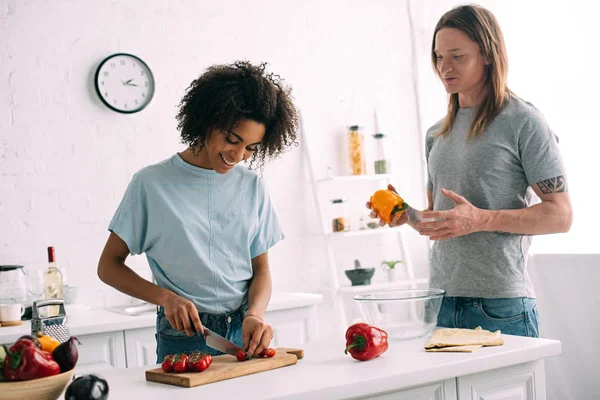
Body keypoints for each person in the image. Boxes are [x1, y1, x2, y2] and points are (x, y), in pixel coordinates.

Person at [368, 5, 572, 338]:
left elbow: (561, 216)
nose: (443, 68)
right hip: (440, 304)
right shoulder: (436, 134)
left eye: (457, 56)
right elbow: (440, 223)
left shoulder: (524, 122)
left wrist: (482, 219)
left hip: (501, 306)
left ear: (488, 54)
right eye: (438, 56)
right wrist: (406, 214)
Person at [98, 61, 299, 362]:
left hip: (244, 332)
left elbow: (262, 270)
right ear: (207, 120)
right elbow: (109, 266)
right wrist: (166, 298)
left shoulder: (252, 185)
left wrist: (255, 314)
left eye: (251, 148)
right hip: (184, 334)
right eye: (232, 139)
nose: (238, 155)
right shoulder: (151, 184)